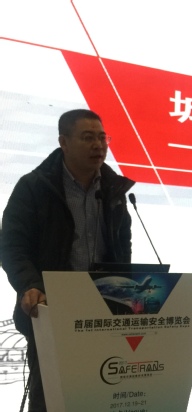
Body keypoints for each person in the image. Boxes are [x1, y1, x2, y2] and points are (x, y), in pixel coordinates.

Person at [1, 109, 135, 411]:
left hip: (104, 311)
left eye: (102, 138)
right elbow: (11, 246)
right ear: (63, 141)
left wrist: (128, 289)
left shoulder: (114, 189)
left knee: (101, 396)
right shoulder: (35, 187)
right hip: (51, 309)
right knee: (50, 399)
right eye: (88, 138)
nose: (98, 145)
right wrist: (30, 285)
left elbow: (122, 244)